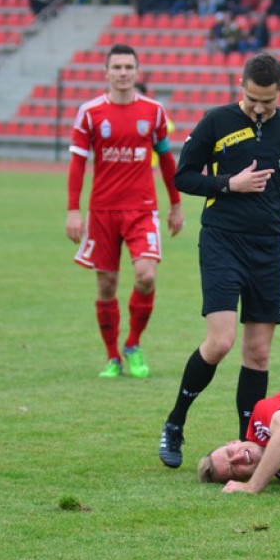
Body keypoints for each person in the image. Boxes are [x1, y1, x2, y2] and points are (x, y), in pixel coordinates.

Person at [159, 53, 280, 468]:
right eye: (251, 99)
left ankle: (252, 445)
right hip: (222, 241)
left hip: (268, 248)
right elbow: (183, 176)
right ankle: (175, 422)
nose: (259, 108)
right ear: (240, 87)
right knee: (221, 341)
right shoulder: (217, 120)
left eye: (266, 100)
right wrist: (231, 183)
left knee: (259, 354)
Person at [65, 44, 184, 379]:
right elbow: (77, 163)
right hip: (102, 211)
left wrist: (175, 204)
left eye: (128, 67)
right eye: (116, 67)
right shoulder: (89, 113)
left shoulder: (154, 112)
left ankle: (133, 344)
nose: (122, 73)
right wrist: (73, 210)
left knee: (146, 276)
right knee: (106, 285)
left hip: (142, 209)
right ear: (106, 73)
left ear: (136, 72)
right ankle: (112, 356)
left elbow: (166, 160)